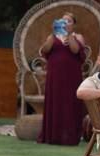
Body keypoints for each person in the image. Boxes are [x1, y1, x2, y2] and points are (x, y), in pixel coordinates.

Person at [37, 12, 89, 145]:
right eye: (63, 20)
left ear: (74, 25)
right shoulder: (53, 36)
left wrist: (69, 35)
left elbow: (75, 50)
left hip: (71, 76)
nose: (65, 23)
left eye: (69, 21)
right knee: (55, 101)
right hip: (55, 76)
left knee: (69, 103)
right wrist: (54, 34)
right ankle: (52, 136)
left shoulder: (77, 37)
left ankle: (69, 136)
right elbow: (45, 50)